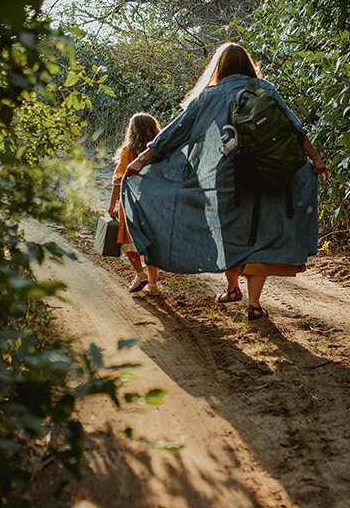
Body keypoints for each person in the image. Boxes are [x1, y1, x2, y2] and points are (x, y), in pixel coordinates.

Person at [122, 42, 326, 320]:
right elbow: (295, 128)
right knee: (261, 237)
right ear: (247, 65)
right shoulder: (264, 89)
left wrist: (143, 159)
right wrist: (315, 159)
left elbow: (176, 132)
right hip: (269, 172)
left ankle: (232, 287)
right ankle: (254, 303)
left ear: (219, 67)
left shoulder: (209, 97)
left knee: (228, 231)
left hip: (228, 178)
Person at [109, 112, 162, 295]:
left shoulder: (128, 151)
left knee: (127, 240)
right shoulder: (159, 151)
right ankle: (153, 285)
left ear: (132, 130)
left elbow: (119, 180)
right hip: (154, 202)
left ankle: (140, 274)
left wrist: (112, 205)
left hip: (130, 202)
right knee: (150, 243)